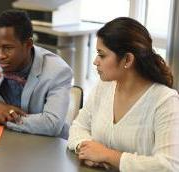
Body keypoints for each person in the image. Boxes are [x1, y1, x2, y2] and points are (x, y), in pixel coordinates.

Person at [67, 17, 179, 171]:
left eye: (102, 55)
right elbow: (78, 127)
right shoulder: (104, 87)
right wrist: (87, 149)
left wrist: (108, 156)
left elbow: (169, 166)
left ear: (127, 59)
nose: (95, 61)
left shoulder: (165, 100)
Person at [0, 10, 73, 138]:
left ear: (28, 44)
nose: (0, 55)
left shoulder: (58, 71)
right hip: (8, 140)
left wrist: (5, 119)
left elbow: (52, 124)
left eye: (8, 48)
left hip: (46, 145)